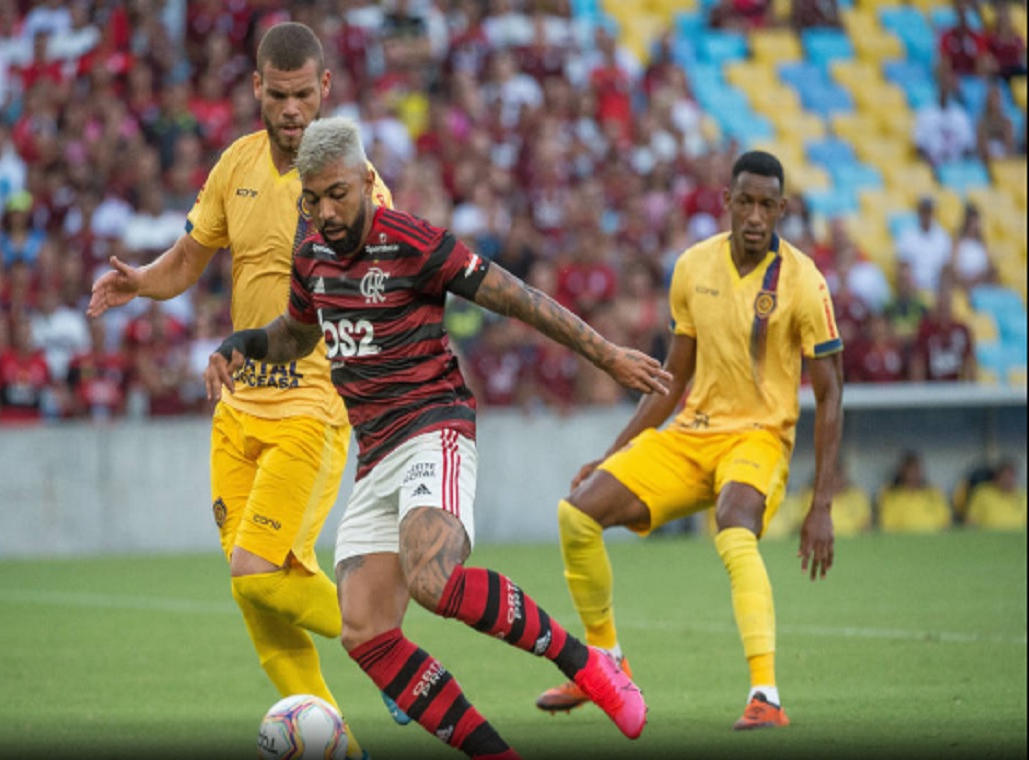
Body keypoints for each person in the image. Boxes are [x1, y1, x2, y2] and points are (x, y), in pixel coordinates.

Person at [203, 117, 671, 759]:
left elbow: (518, 299)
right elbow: (297, 333)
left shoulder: (413, 242)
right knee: (365, 632)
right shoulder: (310, 255)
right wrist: (244, 344)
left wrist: (607, 355)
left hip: (434, 427)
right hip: (375, 456)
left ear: (366, 180)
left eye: (338, 194)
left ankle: (589, 664)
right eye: (312, 199)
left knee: (434, 581)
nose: (326, 212)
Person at [86, 23, 391, 759]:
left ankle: (387, 645)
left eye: (303, 95)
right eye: (277, 95)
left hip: (311, 405)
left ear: (325, 88)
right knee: (254, 589)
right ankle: (340, 744)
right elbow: (190, 257)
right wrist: (141, 282)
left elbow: (386, 280)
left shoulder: (354, 182)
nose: (291, 110)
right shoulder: (236, 165)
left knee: (256, 572)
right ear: (257, 88)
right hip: (237, 407)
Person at [534, 151, 844, 731]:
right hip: (692, 434)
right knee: (576, 515)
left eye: (767, 205)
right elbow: (673, 379)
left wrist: (821, 502)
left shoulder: (804, 282)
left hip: (758, 439)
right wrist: (614, 454)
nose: (755, 216)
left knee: (734, 527)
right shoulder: (693, 267)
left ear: (782, 209)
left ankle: (766, 695)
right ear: (727, 201)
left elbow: (831, 395)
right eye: (745, 202)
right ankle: (606, 664)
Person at [877, 451, 952, 533]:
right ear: (901, 472)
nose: (913, 474)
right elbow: (887, 528)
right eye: (909, 470)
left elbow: (945, 523)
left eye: (916, 469)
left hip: (934, 538)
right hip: (903, 539)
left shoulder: (933, 493)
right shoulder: (893, 496)